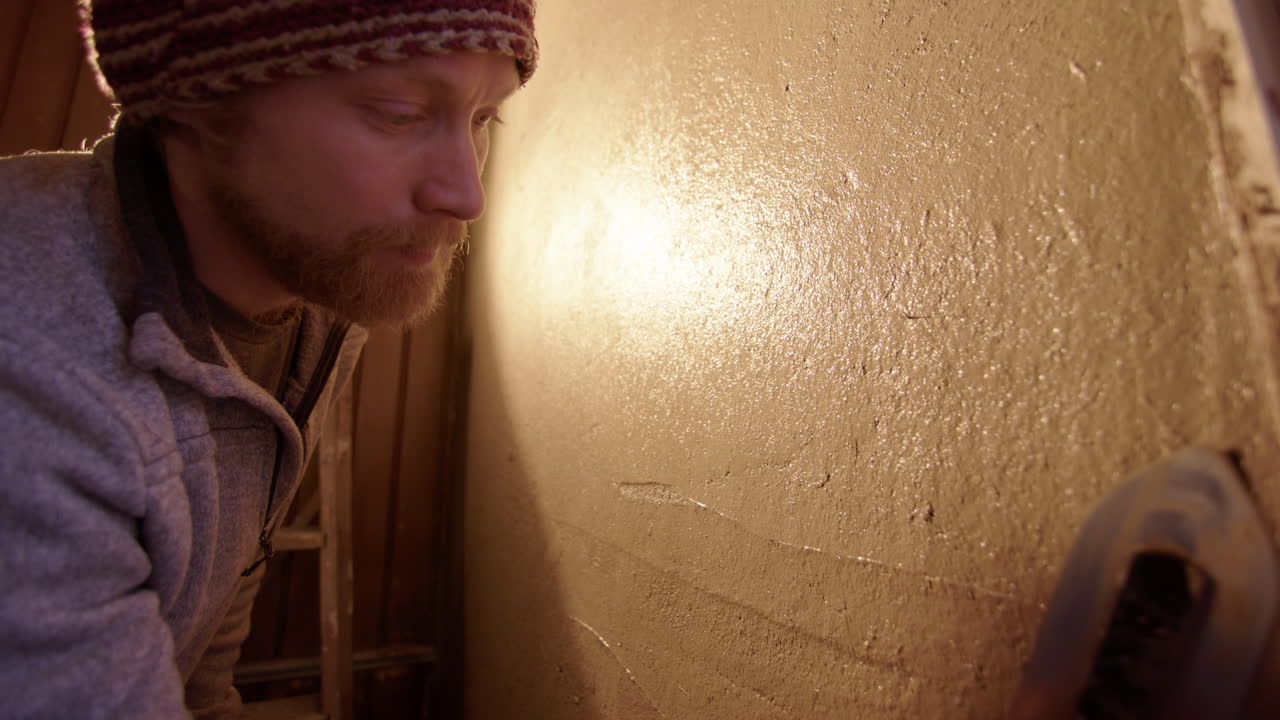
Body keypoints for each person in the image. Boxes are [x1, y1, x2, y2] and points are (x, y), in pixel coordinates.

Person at [0, 1, 536, 717]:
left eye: (483, 119)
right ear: (196, 97)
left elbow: (199, 672)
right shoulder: (33, 366)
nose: (465, 193)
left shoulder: (312, 307)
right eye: (399, 111)